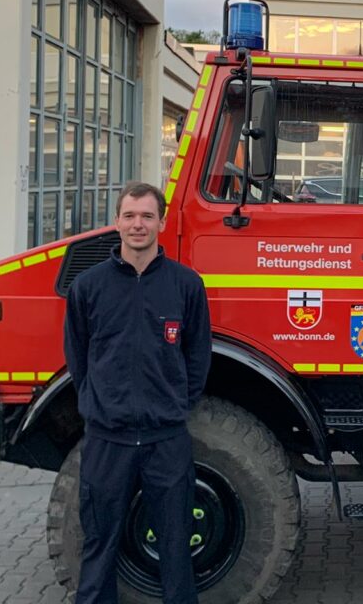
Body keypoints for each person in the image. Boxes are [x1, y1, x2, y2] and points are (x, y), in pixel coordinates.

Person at [64, 181, 211, 604]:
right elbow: (78, 355)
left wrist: (176, 404)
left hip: (166, 439)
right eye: (129, 215)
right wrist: (99, 403)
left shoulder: (186, 285)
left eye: (147, 216)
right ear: (116, 222)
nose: (138, 224)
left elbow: (197, 354)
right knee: (99, 547)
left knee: (176, 550)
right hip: (107, 440)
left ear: (162, 223)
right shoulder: (88, 287)